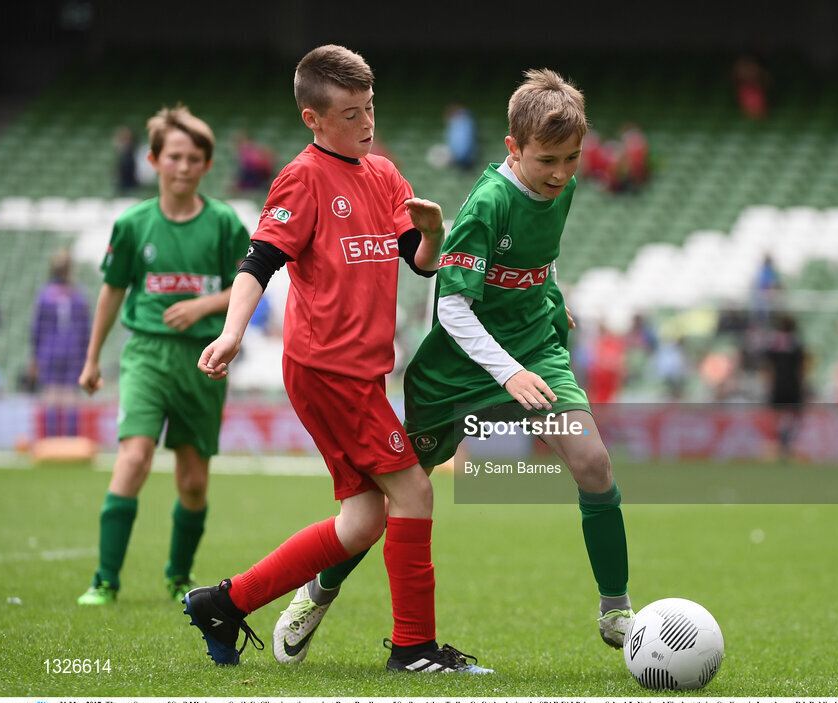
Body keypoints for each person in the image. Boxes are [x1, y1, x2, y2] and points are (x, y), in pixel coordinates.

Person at [270, 68, 634, 666]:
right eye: (548, 159)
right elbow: (453, 306)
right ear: (513, 148)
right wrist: (506, 374)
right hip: (458, 366)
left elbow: (538, 261)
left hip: (536, 348)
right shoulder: (486, 205)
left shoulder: (561, 185)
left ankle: (616, 610)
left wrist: (551, 299)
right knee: (395, 498)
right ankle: (319, 591)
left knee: (593, 462)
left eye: (572, 158)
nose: (562, 173)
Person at [187, 44, 490, 674]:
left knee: (362, 520)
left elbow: (422, 260)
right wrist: (233, 333)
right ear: (313, 119)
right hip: (327, 370)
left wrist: (432, 232)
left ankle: (224, 603)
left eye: (370, 109)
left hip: (363, 372)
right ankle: (414, 648)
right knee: (413, 492)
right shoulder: (302, 177)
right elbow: (258, 263)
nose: (367, 124)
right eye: (351, 114)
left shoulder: (383, 175)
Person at [76, 105, 251, 605]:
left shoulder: (222, 223)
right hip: (147, 354)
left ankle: (178, 575)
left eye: (195, 158)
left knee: (194, 481)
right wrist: (92, 360)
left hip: (205, 358)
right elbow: (111, 291)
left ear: (207, 165)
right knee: (133, 457)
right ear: (153, 160)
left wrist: (204, 304)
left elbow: (249, 283)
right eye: (174, 156)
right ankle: (105, 580)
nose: (183, 166)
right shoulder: (132, 224)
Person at [29, 249, 91, 437]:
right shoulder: (79, 296)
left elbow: (36, 329)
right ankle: (70, 443)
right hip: (73, 352)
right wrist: (87, 357)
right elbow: (86, 331)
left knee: (51, 396)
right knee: (71, 398)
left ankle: (50, 442)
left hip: (49, 352)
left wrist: (34, 357)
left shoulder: (44, 295)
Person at [762, 314, 807, 458]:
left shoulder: (774, 343)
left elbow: (768, 367)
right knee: (794, 416)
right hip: (793, 385)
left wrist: (769, 383)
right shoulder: (797, 343)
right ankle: (789, 443)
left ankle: (779, 444)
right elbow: (802, 368)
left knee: (777, 416)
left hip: (778, 385)